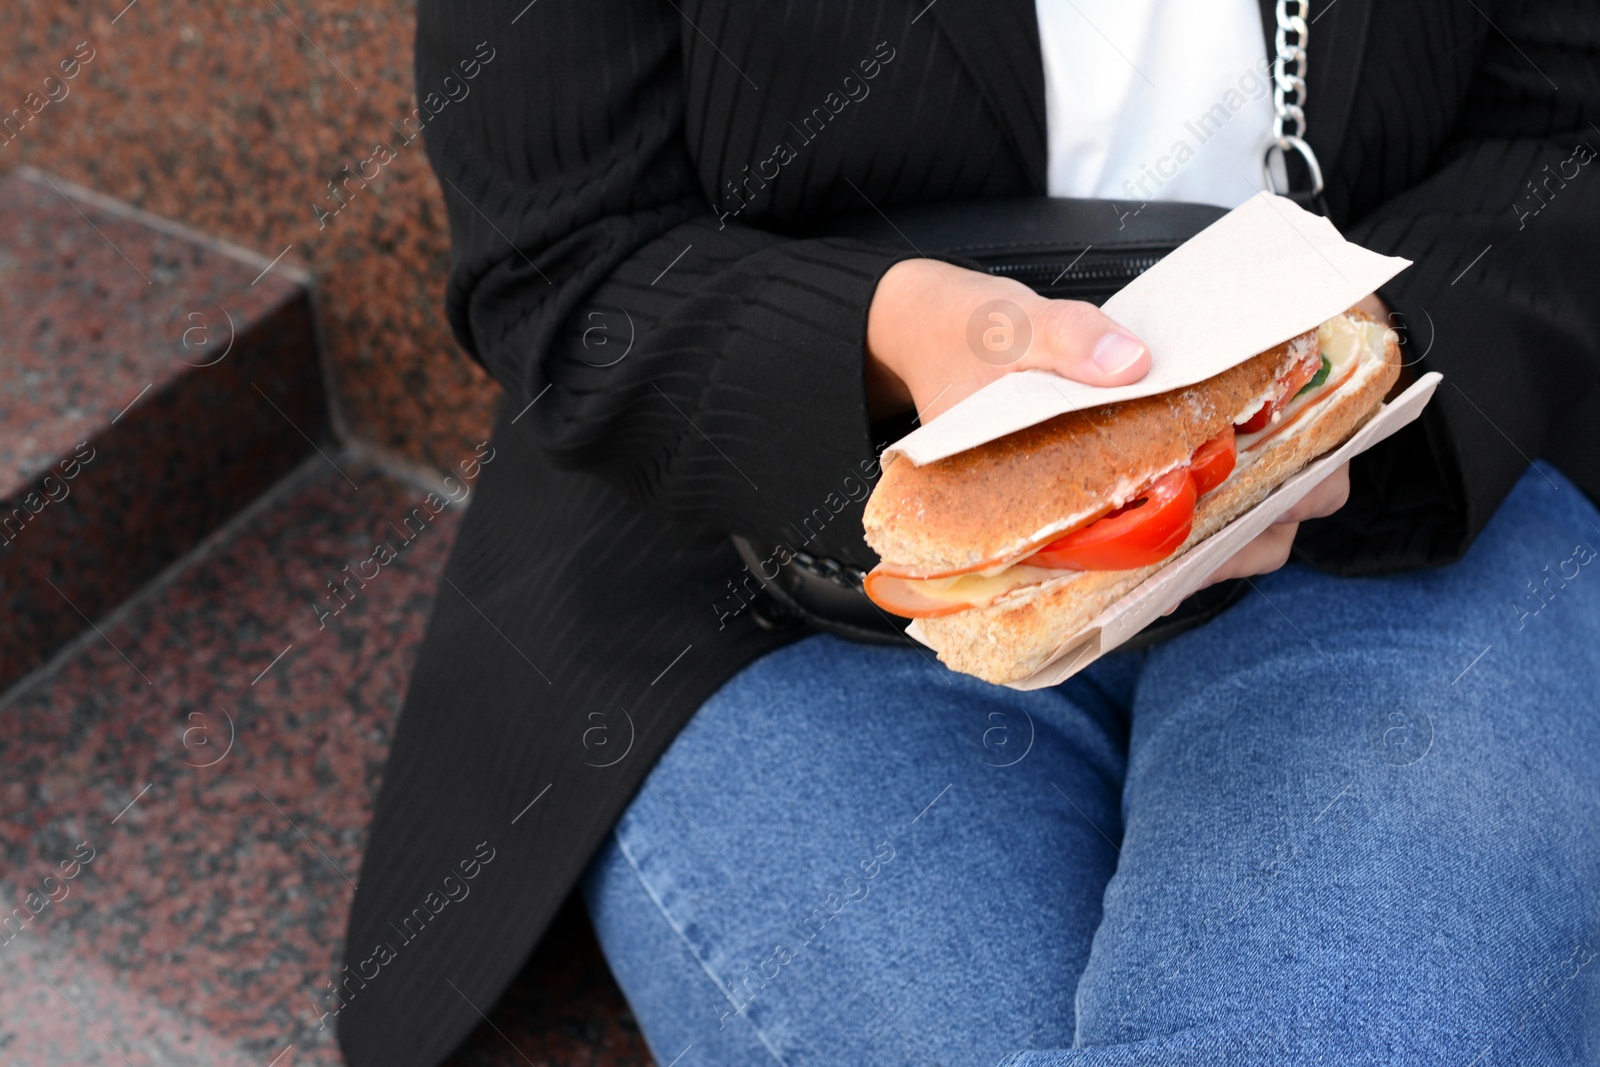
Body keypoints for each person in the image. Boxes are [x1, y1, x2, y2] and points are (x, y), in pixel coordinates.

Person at [335, 2, 1600, 1065]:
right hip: (772, 566)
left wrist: (1324, 383)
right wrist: (883, 337)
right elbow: (557, 262)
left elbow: (1566, 122)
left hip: (1393, 481)